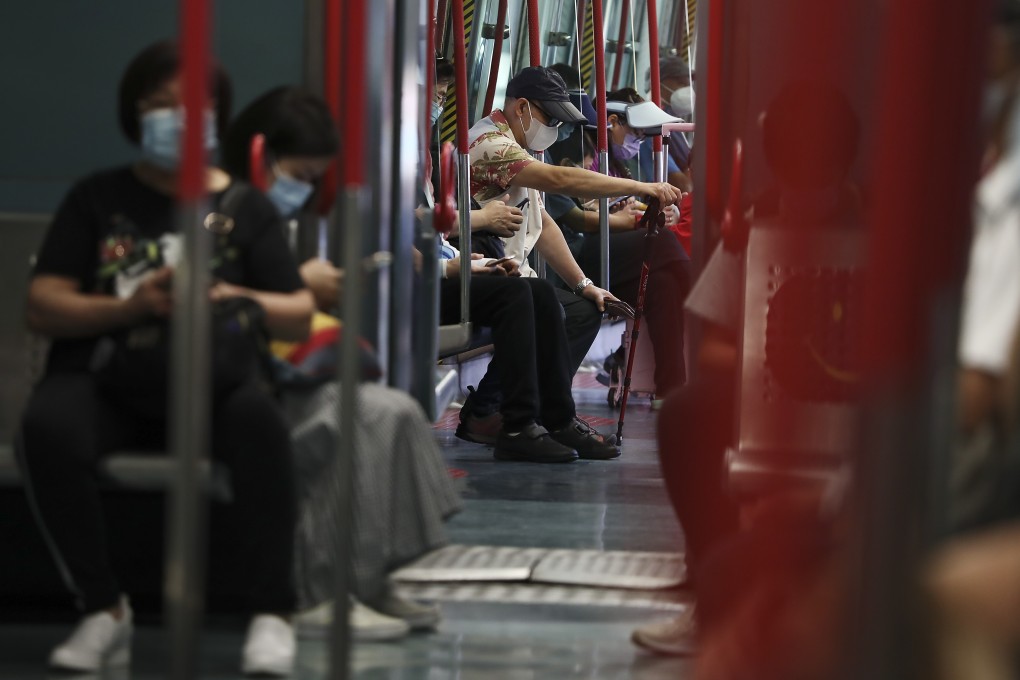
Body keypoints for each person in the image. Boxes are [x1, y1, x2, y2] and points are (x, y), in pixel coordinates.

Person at [19, 42, 312, 676]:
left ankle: (272, 610)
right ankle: (103, 608)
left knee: (263, 428)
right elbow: (42, 304)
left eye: (190, 106)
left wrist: (225, 294)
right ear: (135, 114)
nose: (175, 120)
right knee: (47, 427)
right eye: (159, 106)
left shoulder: (245, 208)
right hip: (109, 377)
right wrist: (132, 307)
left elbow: (295, 310)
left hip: (215, 382)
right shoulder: (98, 199)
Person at [631, 81, 862, 660]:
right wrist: (773, 363)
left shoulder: (875, 231)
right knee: (686, 415)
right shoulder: (757, 221)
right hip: (768, 385)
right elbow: (715, 346)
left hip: (859, 400)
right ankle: (709, 593)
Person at [222, 86, 462, 638]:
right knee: (349, 417)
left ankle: (370, 576)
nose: (304, 191)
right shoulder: (220, 212)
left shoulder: (270, 219)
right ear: (260, 155)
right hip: (235, 379)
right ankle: (318, 590)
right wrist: (301, 287)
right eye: (299, 175)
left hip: (269, 368)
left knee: (395, 411)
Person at [457, 66, 679, 440]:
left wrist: (584, 285)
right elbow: (560, 180)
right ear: (522, 108)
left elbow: (543, 225)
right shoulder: (490, 144)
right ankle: (489, 410)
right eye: (550, 119)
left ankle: (540, 408)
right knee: (544, 308)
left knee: (582, 310)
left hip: (511, 273)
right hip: (481, 272)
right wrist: (641, 186)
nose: (554, 130)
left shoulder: (519, 147)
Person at [545, 123, 691, 397]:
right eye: (586, 168)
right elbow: (579, 220)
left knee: (664, 284)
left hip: (593, 249)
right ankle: (701, 299)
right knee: (663, 241)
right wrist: (627, 220)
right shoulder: (547, 168)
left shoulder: (615, 167)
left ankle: (671, 391)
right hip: (573, 257)